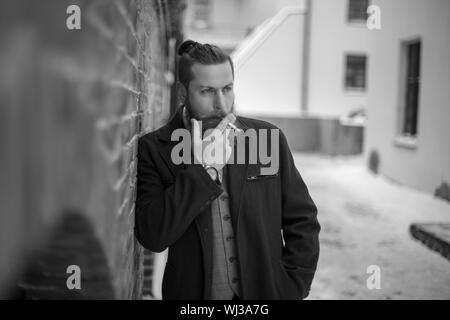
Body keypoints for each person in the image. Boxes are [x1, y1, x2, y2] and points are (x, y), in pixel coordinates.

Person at [134, 40, 320, 300]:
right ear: (182, 92)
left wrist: (293, 286)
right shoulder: (156, 149)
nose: (221, 103)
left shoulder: (267, 138)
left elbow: (302, 221)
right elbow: (153, 236)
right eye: (207, 91)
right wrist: (204, 171)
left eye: (228, 89)